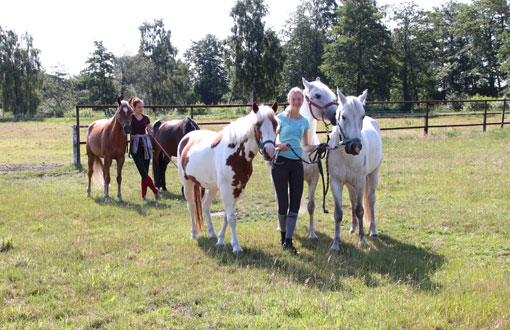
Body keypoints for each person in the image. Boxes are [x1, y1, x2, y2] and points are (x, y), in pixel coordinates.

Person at [272, 87, 327, 254]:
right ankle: (283, 236)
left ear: (302, 101)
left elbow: (305, 145)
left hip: (296, 164)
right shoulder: (280, 119)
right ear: (289, 100)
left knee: (295, 204)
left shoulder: (304, 122)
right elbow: (269, 140)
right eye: (294, 99)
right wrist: (279, 145)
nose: (296, 101)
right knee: (283, 204)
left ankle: (288, 241)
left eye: (299, 99)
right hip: (281, 162)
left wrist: (319, 146)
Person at [129, 97, 159, 201]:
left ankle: (143, 196)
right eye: (138, 107)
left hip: (145, 145)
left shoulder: (146, 118)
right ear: (133, 108)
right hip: (135, 145)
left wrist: (150, 130)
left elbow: (149, 128)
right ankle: (155, 190)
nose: (141, 109)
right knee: (143, 171)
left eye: (142, 107)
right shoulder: (130, 118)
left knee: (145, 171)